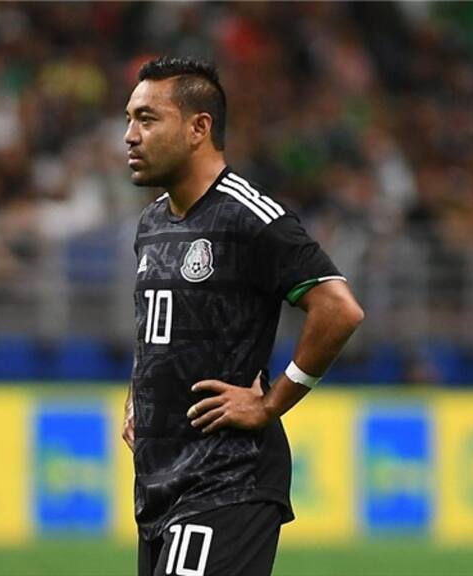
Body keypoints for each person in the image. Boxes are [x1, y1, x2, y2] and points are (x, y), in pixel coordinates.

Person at [122, 56, 364, 576]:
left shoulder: (248, 215)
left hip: (227, 480)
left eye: (147, 119)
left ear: (198, 128)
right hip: (159, 484)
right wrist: (136, 396)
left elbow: (338, 308)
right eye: (129, 119)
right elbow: (159, 328)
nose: (130, 135)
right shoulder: (151, 223)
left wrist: (271, 403)